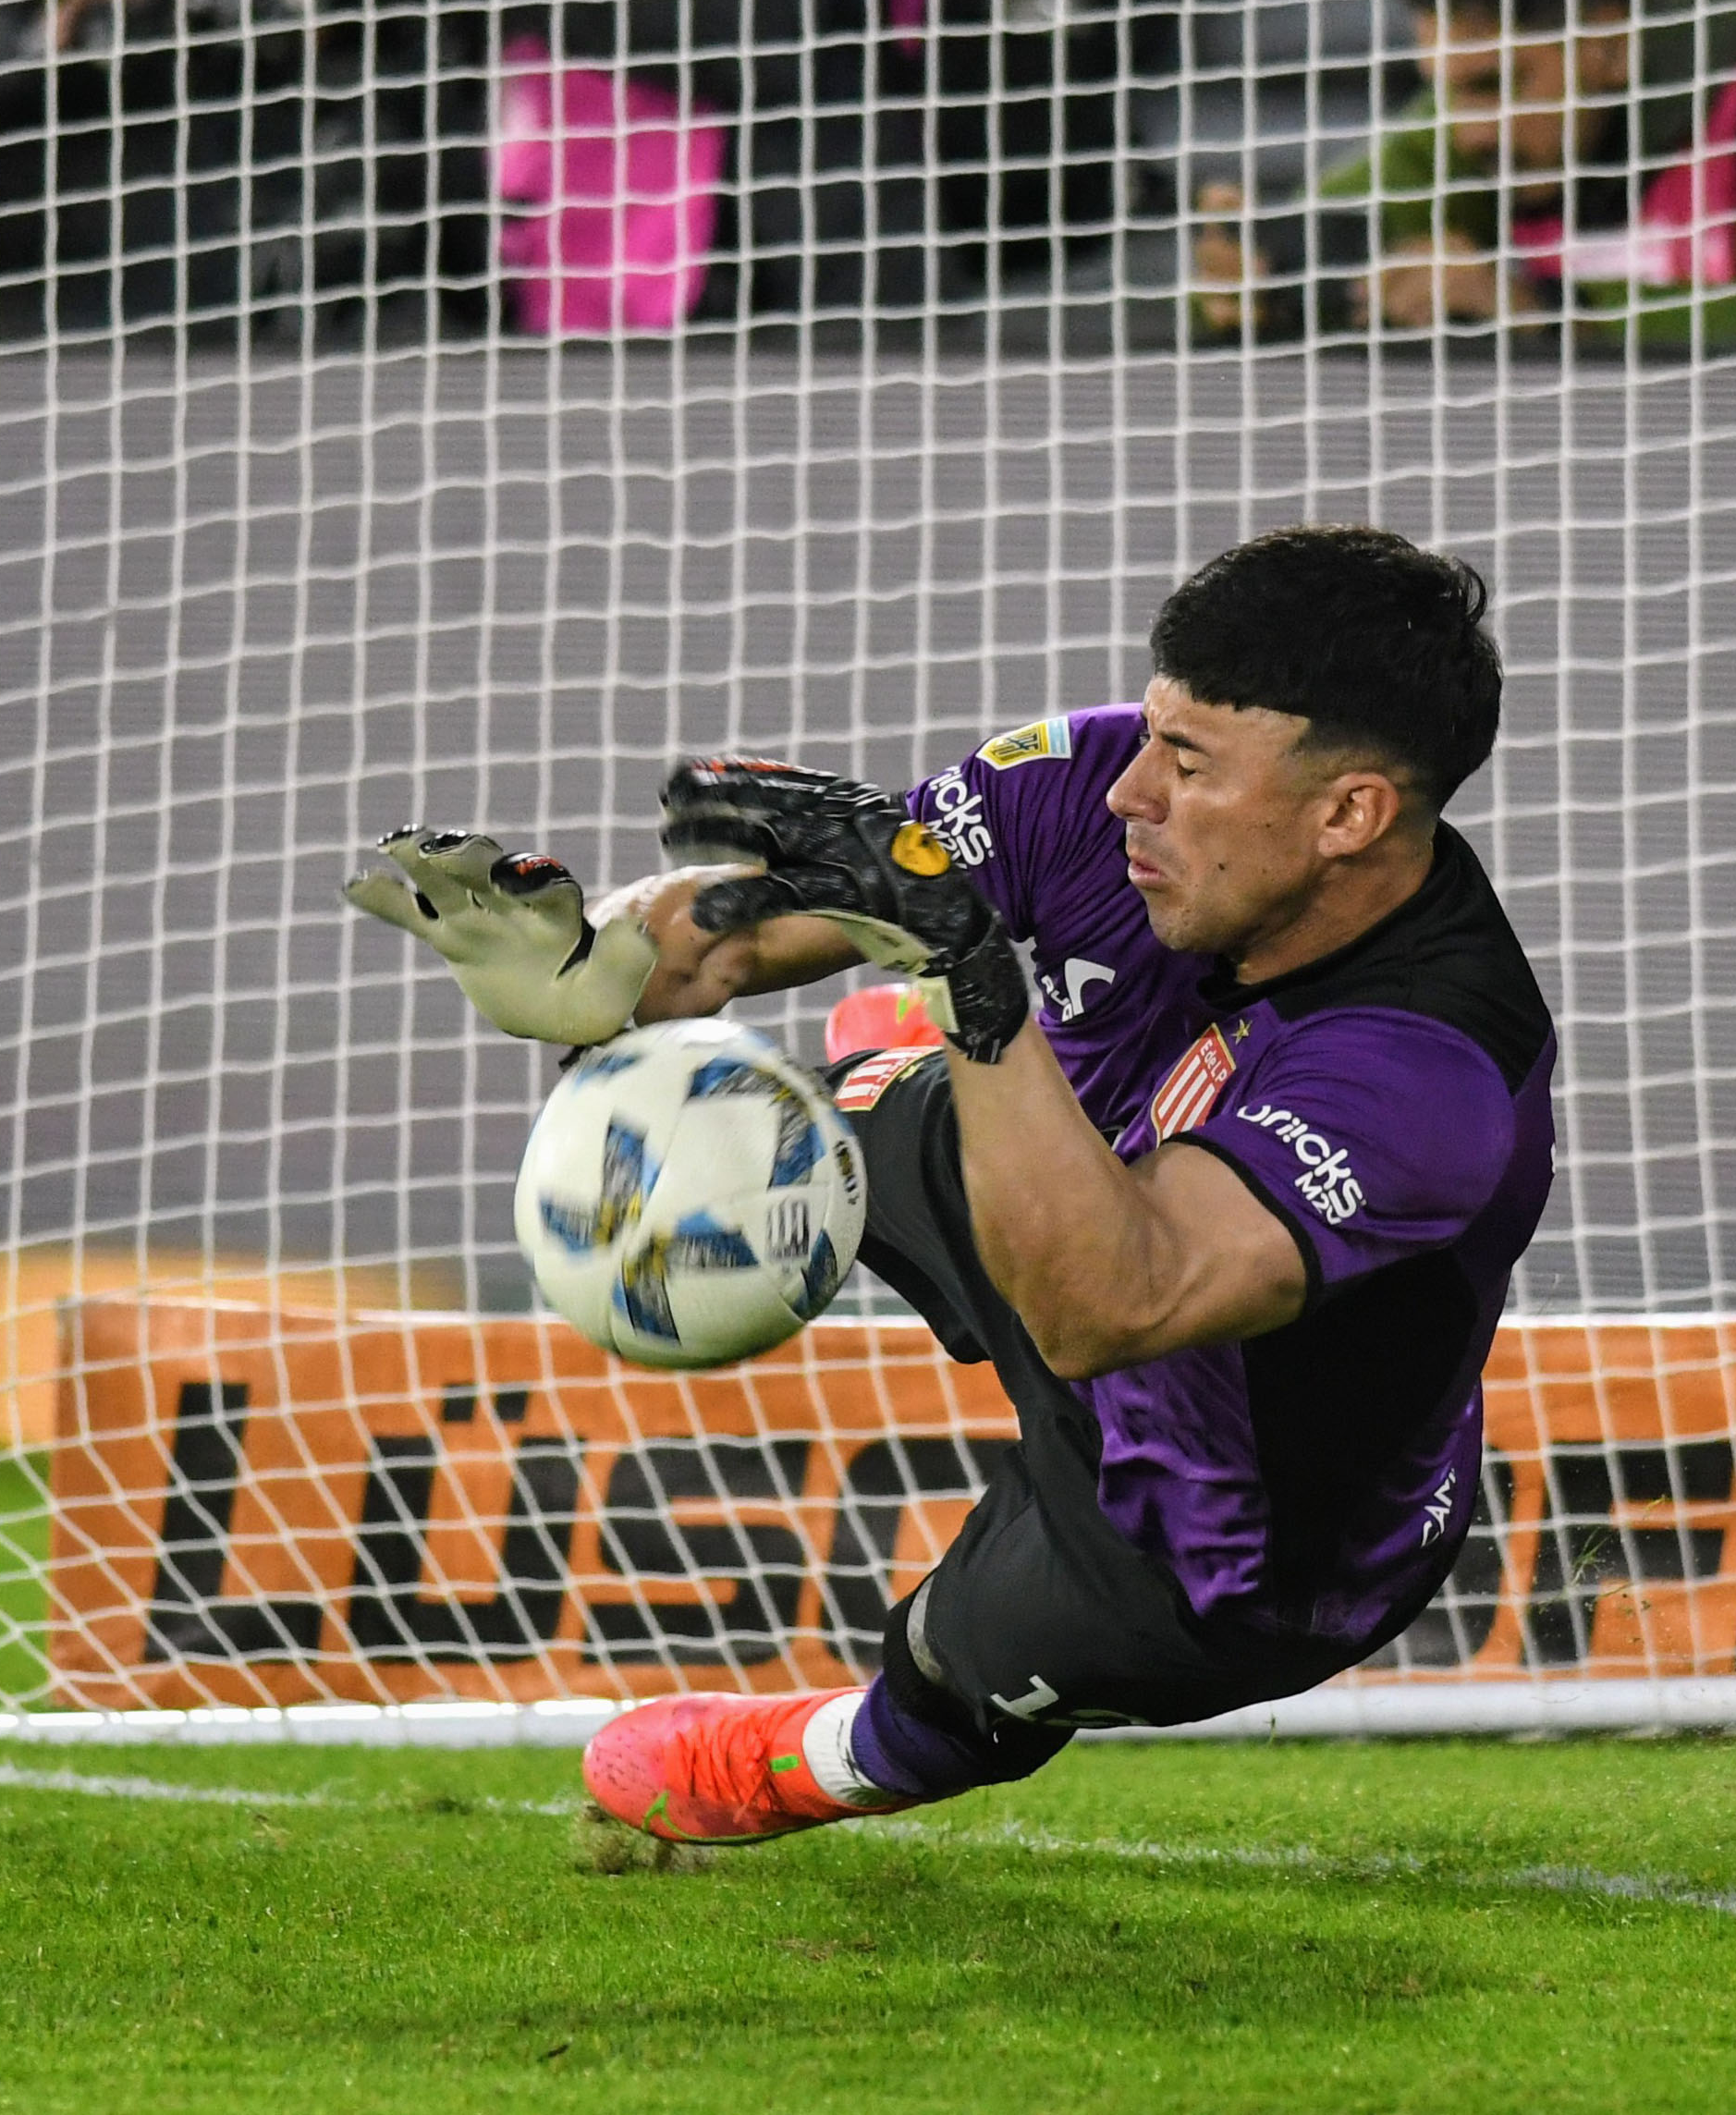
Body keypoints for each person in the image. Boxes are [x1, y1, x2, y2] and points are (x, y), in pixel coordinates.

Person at [346, 524, 1558, 1842]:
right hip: (1061, 1181)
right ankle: (896, 1071)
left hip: (1223, 1540)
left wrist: (969, 988)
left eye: (1188, 761)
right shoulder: (1096, 785)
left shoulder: (1429, 1075)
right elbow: (751, 937)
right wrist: (607, 960)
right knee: (812, 1107)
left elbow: (1103, 1308)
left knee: (938, 1697)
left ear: (1345, 815)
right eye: (1151, 731)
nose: (1128, 791)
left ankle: (807, 1759)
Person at [1192, 0, 1638, 339]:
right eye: (1446, 87)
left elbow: (1696, 344)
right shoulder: (1440, 148)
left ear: (1610, 47)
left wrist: (1524, 310)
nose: (1471, 133)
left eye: (1497, 84)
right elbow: (1325, 242)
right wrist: (1239, 286)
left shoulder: (1702, 130)